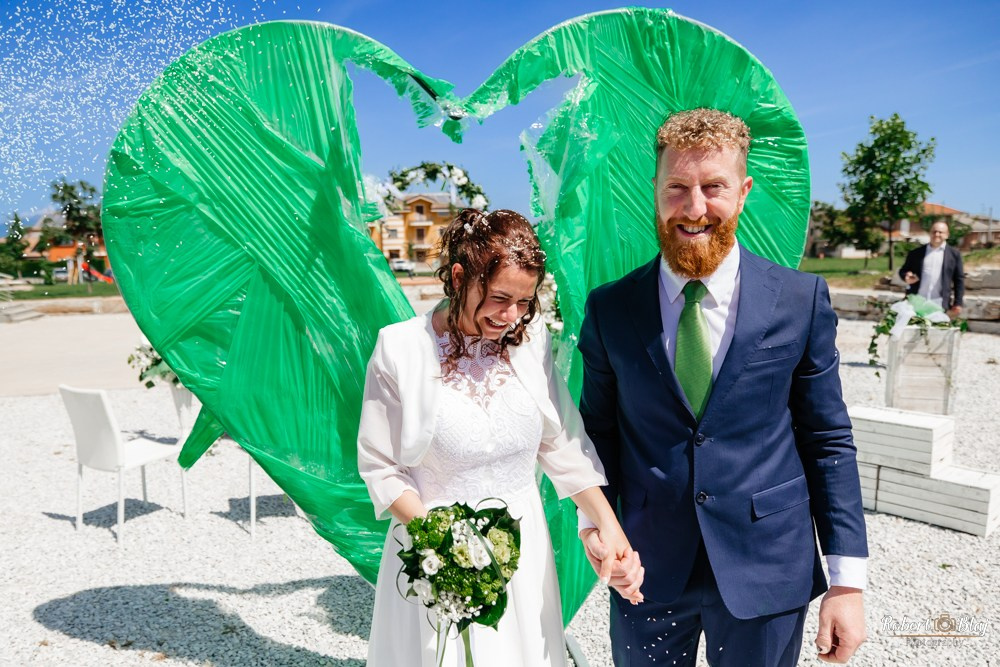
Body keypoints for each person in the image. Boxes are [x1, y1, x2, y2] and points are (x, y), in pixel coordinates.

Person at [577, 109, 869, 666]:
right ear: (655, 189)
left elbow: (828, 440)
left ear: (743, 192)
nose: (694, 208)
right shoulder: (610, 308)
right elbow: (596, 434)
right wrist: (595, 525)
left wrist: (847, 582)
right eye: (677, 188)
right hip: (645, 569)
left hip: (768, 566)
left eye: (713, 187)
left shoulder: (799, 300)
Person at [358, 208, 643, 667]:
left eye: (524, 301)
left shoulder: (530, 342)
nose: (511, 316)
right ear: (458, 278)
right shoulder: (399, 348)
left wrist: (608, 526)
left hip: (524, 552)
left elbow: (560, 443)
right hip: (435, 551)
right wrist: (446, 546)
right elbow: (381, 468)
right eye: (499, 298)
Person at [899, 221, 965, 318]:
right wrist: (906, 276)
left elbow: (959, 280)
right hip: (916, 302)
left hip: (939, 304)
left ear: (947, 235)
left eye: (940, 232)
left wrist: (958, 303)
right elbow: (903, 270)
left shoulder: (954, 255)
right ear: (930, 233)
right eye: (934, 231)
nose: (936, 234)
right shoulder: (916, 253)